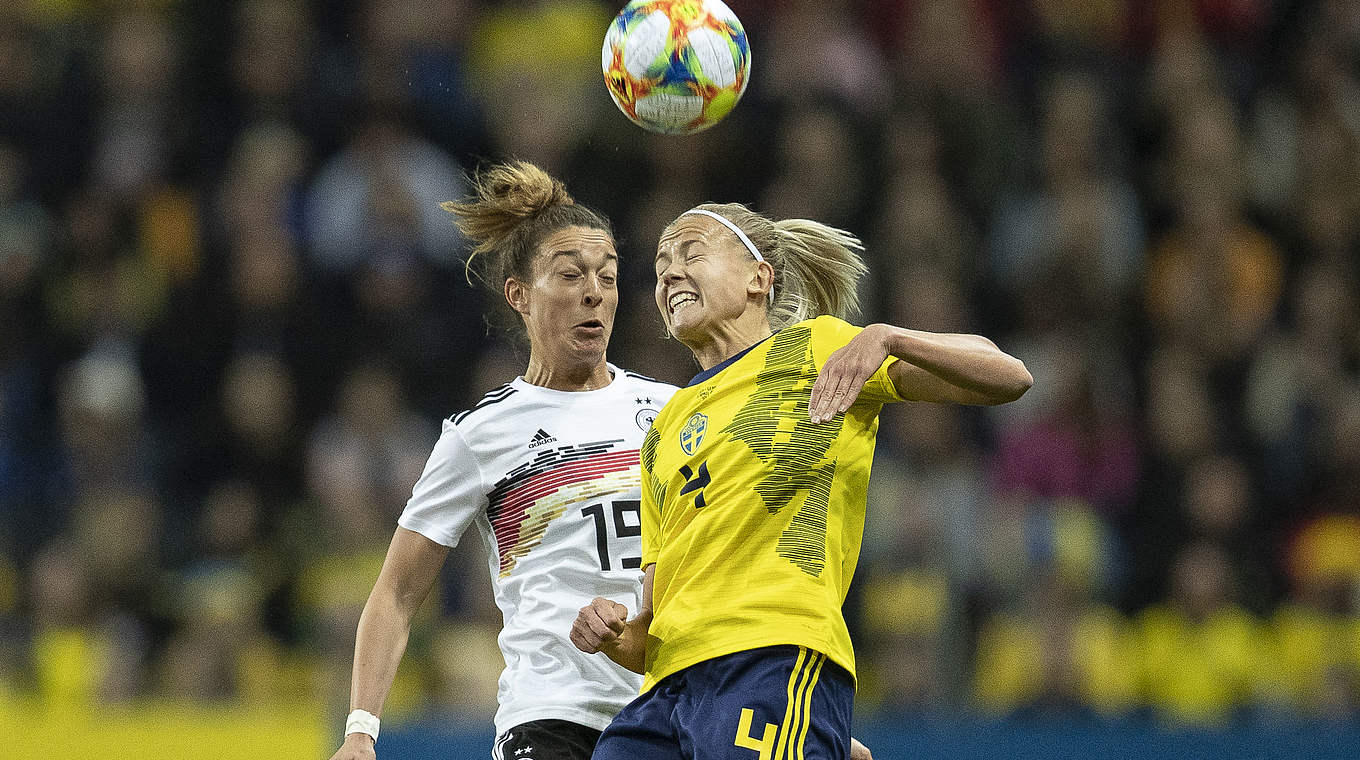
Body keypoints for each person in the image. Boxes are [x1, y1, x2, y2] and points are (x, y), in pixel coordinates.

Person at [571, 203, 1033, 759]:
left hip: (772, 656)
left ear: (758, 278)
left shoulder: (817, 348)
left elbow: (1008, 376)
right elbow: (650, 630)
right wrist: (615, 635)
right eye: (660, 266)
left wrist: (890, 338)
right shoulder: (664, 430)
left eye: (691, 253)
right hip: (668, 690)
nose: (669, 273)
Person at [327, 161, 678, 760]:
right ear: (518, 294)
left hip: (670, 710)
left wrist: (804, 712)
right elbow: (396, 592)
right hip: (551, 716)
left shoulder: (674, 412)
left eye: (609, 276)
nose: (594, 292)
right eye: (570, 275)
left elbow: (737, 562)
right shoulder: (480, 435)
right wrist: (361, 729)